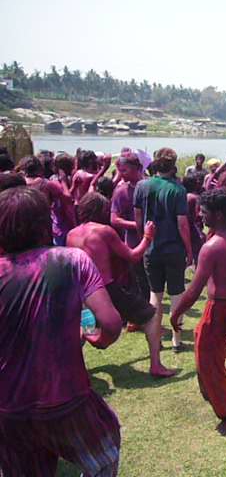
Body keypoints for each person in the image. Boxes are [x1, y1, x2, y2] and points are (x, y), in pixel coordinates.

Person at [0, 187, 123, 476]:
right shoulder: (71, 260)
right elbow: (112, 323)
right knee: (104, 455)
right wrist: (99, 340)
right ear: (45, 223)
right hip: (66, 398)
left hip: (8, 407)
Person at [170, 188, 226, 435]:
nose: (199, 215)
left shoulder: (211, 247)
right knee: (208, 346)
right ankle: (210, 390)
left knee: (210, 362)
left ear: (219, 214)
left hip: (220, 308)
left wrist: (174, 313)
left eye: (204, 212)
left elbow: (193, 291)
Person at [68, 192, 176, 378]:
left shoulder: (71, 234)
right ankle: (156, 365)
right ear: (101, 211)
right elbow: (133, 256)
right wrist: (147, 237)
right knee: (150, 317)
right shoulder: (104, 231)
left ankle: (69, 370)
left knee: (83, 328)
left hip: (80, 291)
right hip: (105, 288)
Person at [134, 147, 192, 353]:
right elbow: (182, 225)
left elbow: (138, 219)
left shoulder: (141, 186)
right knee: (176, 294)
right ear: (173, 165)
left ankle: (156, 339)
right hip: (174, 249)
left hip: (151, 248)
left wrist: (144, 240)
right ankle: (177, 340)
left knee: (154, 295)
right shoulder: (178, 190)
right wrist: (189, 250)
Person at [111, 152, 150, 315]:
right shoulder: (121, 192)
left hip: (154, 242)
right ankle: (139, 317)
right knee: (137, 281)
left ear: (138, 168)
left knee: (150, 282)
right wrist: (138, 226)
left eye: (124, 170)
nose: (121, 174)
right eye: (119, 170)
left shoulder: (150, 187)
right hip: (134, 243)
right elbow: (114, 219)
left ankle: (148, 315)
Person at [183, 174, 206, 265]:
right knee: (198, 254)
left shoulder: (183, 196)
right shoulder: (195, 197)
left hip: (184, 228)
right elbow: (197, 216)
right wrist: (200, 232)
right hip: (194, 229)